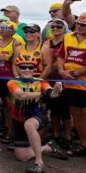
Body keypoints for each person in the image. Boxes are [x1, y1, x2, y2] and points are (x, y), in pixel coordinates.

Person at [9, 56, 67, 173]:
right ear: (18, 68)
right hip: (18, 120)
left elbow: (52, 93)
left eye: (30, 67)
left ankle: (39, 163)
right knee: (21, 156)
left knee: (29, 125)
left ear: (34, 69)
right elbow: (21, 96)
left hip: (37, 115)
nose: (27, 69)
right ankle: (48, 147)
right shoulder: (12, 82)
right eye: (23, 67)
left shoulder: (40, 81)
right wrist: (42, 94)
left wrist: (57, 89)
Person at [0, 21, 22, 143]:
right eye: (0, 28)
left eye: (4, 28)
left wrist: (5, 58)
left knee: (8, 105)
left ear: (11, 31)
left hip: (9, 77)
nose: (1, 30)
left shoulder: (15, 42)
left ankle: (10, 131)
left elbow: (17, 61)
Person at [40, 18, 72, 148]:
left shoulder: (68, 40)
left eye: (59, 26)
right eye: (52, 27)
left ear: (64, 28)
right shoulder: (48, 41)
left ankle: (68, 136)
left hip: (64, 77)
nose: (55, 29)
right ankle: (56, 134)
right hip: (50, 77)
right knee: (54, 107)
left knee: (65, 109)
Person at [57, 12, 86, 156]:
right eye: (79, 23)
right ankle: (83, 144)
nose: (80, 27)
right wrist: (62, 71)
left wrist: (77, 73)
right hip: (70, 83)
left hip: (83, 83)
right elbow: (61, 56)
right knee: (75, 113)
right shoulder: (68, 37)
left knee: (84, 113)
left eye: (84, 25)